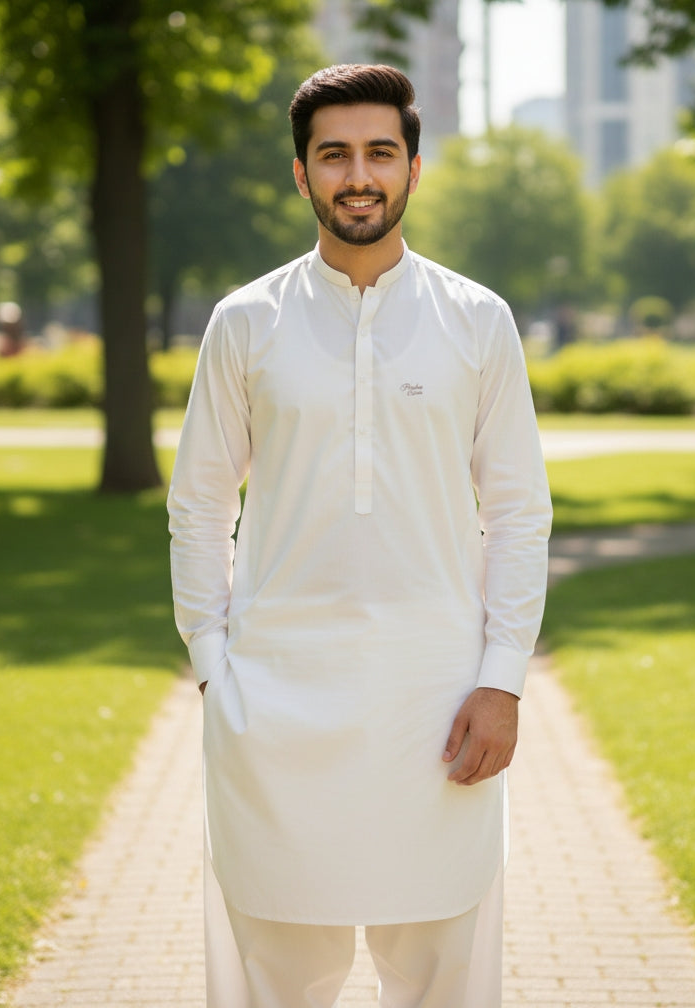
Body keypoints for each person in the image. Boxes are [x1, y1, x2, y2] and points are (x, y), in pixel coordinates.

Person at [167, 63, 552, 1008]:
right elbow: (198, 505)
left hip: (438, 700)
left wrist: (501, 680)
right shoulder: (245, 322)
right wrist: (215, 666)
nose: (358, 176)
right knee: (275, 975)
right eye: (333, 155)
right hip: (273, 700)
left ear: (415, 167)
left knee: (442, 976)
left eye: (380, 152)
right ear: (301, 175)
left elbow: (518, 511)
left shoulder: (477, 321)